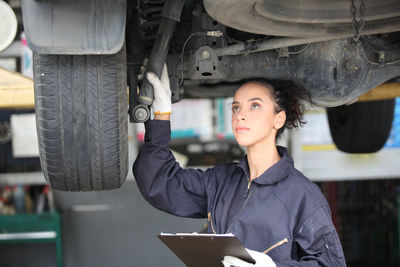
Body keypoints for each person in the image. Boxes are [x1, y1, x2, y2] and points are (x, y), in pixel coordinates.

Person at [133, 65, 346, 266]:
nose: (240, 115)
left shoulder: (302, 195)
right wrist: (160, 118)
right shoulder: (222, 181)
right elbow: (161, 183)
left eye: (255, 105)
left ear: (279, 119)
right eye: (236, 107)